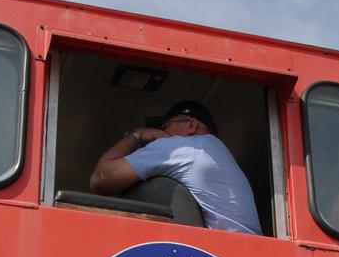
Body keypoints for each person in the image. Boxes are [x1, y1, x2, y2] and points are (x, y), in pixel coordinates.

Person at [89, 100, 262, 235]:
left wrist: (138, 135)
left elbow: (101, 178)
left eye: (165, 125)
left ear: (191, 125)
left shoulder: (182, 147)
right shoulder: (218, 151)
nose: (159, 132)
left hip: (222, 255)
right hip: (245, 256)